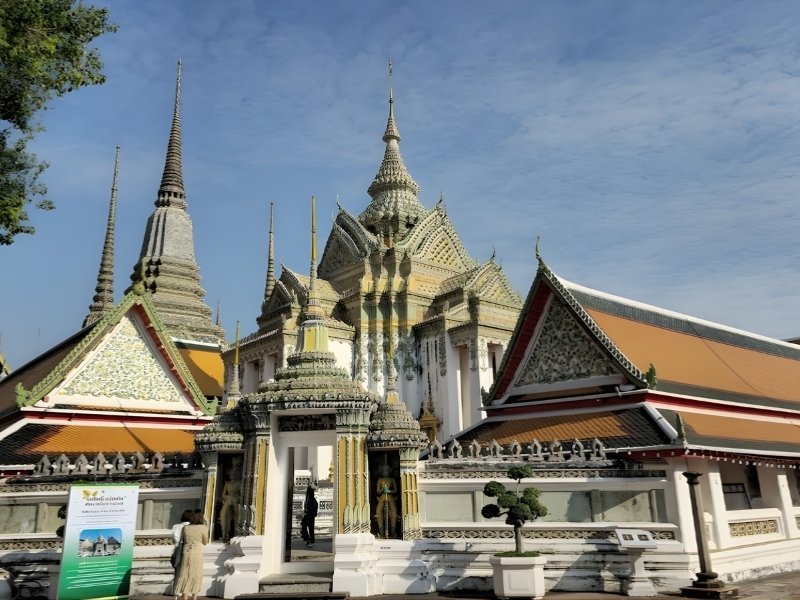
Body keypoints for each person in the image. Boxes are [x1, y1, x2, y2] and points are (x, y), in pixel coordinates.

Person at [173, 511, 208, 600]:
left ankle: (185, 597)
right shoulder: (203, 527)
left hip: (186, 552)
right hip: (197, 552)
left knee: (185, 574)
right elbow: (205, 542)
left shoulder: (186, 528)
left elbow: (183, 540)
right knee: (196, 574)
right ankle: (194, 597)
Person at [170, 509, 193, 598]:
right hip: (187, 552)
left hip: (176, 552)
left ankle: (176, 593)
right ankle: (185, 593)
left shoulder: (175, 527)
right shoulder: (191, 528)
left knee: (177, 573)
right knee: (187, 574)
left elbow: (173, 540)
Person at [375, 466, 398, 539]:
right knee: (378, 511)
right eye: (384, 471)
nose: (386, 472)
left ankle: (393, 532)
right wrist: (382, 489)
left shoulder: (392, 480)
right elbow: (378, 491)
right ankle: (381, 532)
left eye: (387, 470)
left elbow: (395, 490)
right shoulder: (380, 480)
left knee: (394, 513)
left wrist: (388, 491)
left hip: (390, 497)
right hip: (382, 497)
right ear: (382, 471)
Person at [300, 483, 318, 548]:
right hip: (310, 514)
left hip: (309, 514)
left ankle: (309, 540)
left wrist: (307, 511)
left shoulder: (310, 499)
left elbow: (310, 507)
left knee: (306, 526)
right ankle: (310, 540)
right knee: (309, 528)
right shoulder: (312, 500)